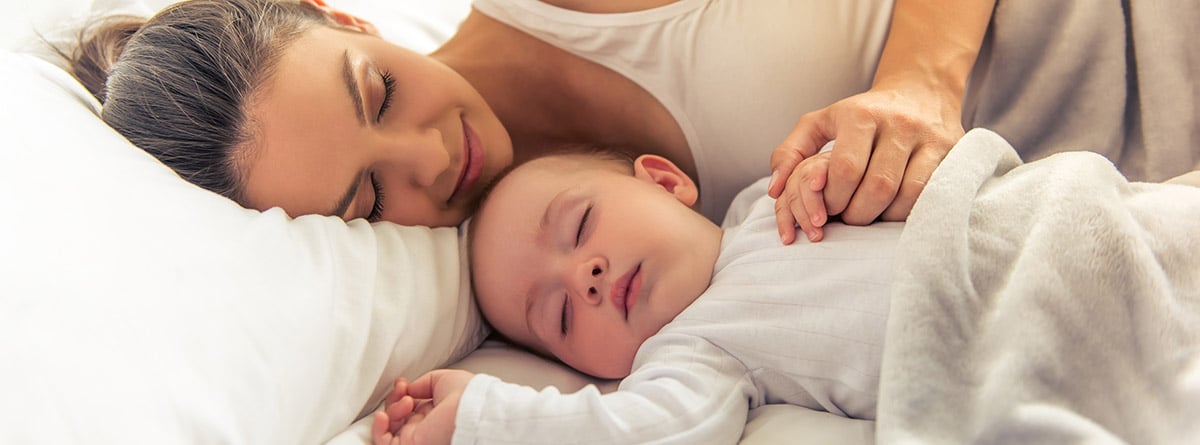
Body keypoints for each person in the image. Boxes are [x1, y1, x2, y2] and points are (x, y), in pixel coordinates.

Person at [66, 0, 1194, 236]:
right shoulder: (536, 251)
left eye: (379, 95)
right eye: (371, 195)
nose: (430, 159)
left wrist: (918, 84)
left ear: (342, 16)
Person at [369, 142, 1200, 445]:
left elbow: (907, 168)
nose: (581, 276)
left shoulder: (780, 192)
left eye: (580, 225)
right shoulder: (691, 354)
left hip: (1075, 221)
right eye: (557, 315)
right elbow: (645, 432)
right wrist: (481, 414)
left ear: (664, 179)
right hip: (1031, 337)